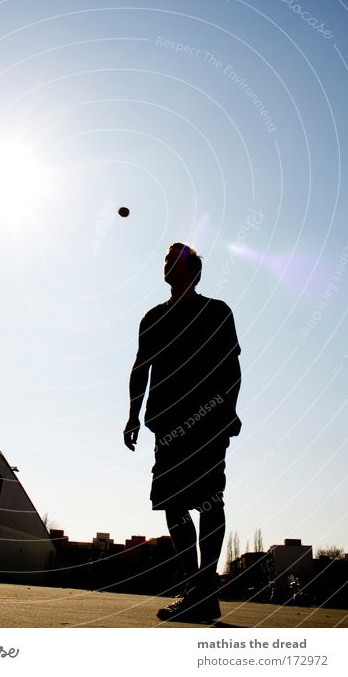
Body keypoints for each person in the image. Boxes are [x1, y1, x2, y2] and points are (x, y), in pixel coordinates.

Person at [124, 243, 242, 623]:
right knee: (173, 504)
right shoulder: (153, 318)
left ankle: (204, 588)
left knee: (210, 500)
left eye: (173, 259)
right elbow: (140, 368)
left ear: (190, 270)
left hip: (208, 423)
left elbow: (232, 367)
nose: (166, 264)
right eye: (164, 259)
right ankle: (197, 587)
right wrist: (132, 416)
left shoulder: (217, 312)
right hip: (169, 426)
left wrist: (229, 409)